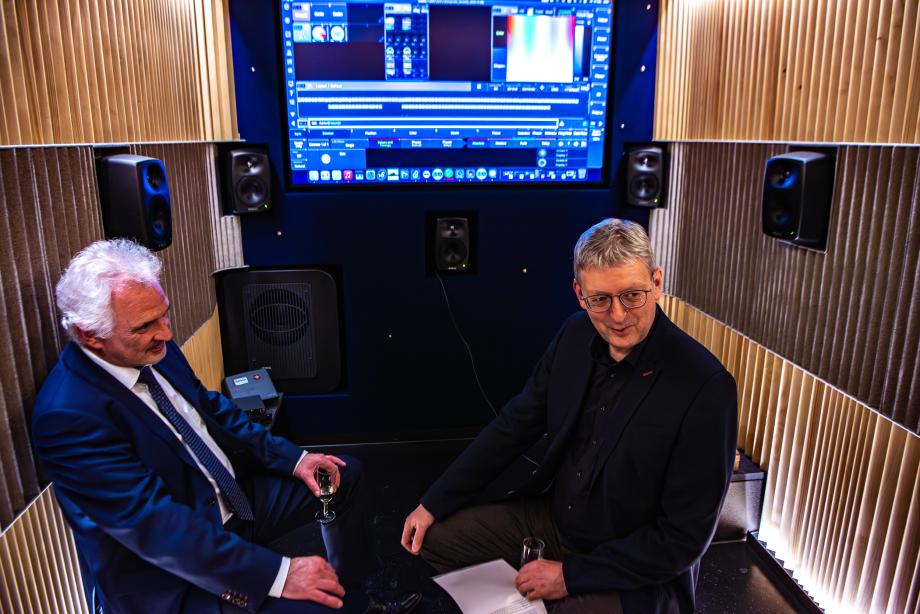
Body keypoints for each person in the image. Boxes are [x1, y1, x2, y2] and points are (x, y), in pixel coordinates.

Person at [32, 239, 420, 614]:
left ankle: (355, 598)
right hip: (175, 565)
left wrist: (294, 459)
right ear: (89, 335)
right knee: (313, 605)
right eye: (146, 325)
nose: (166, 332)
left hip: (233, 502)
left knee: (340, 478)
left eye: (164, 313)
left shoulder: (149, 348)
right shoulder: (68, 417)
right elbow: (156, 527)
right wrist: (282, 573)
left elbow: (209, 407)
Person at [402, 218, 738, 613]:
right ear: (579, 293)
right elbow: (514, 426)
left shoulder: (705, 385)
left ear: (657, 282)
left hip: (634, 567)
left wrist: (569, 576)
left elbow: (682, 540)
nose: (617, 316)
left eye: (632, 295)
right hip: (556, 523)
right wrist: (434, 502)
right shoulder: (574, 335)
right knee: (436, 537)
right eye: (600, 299)